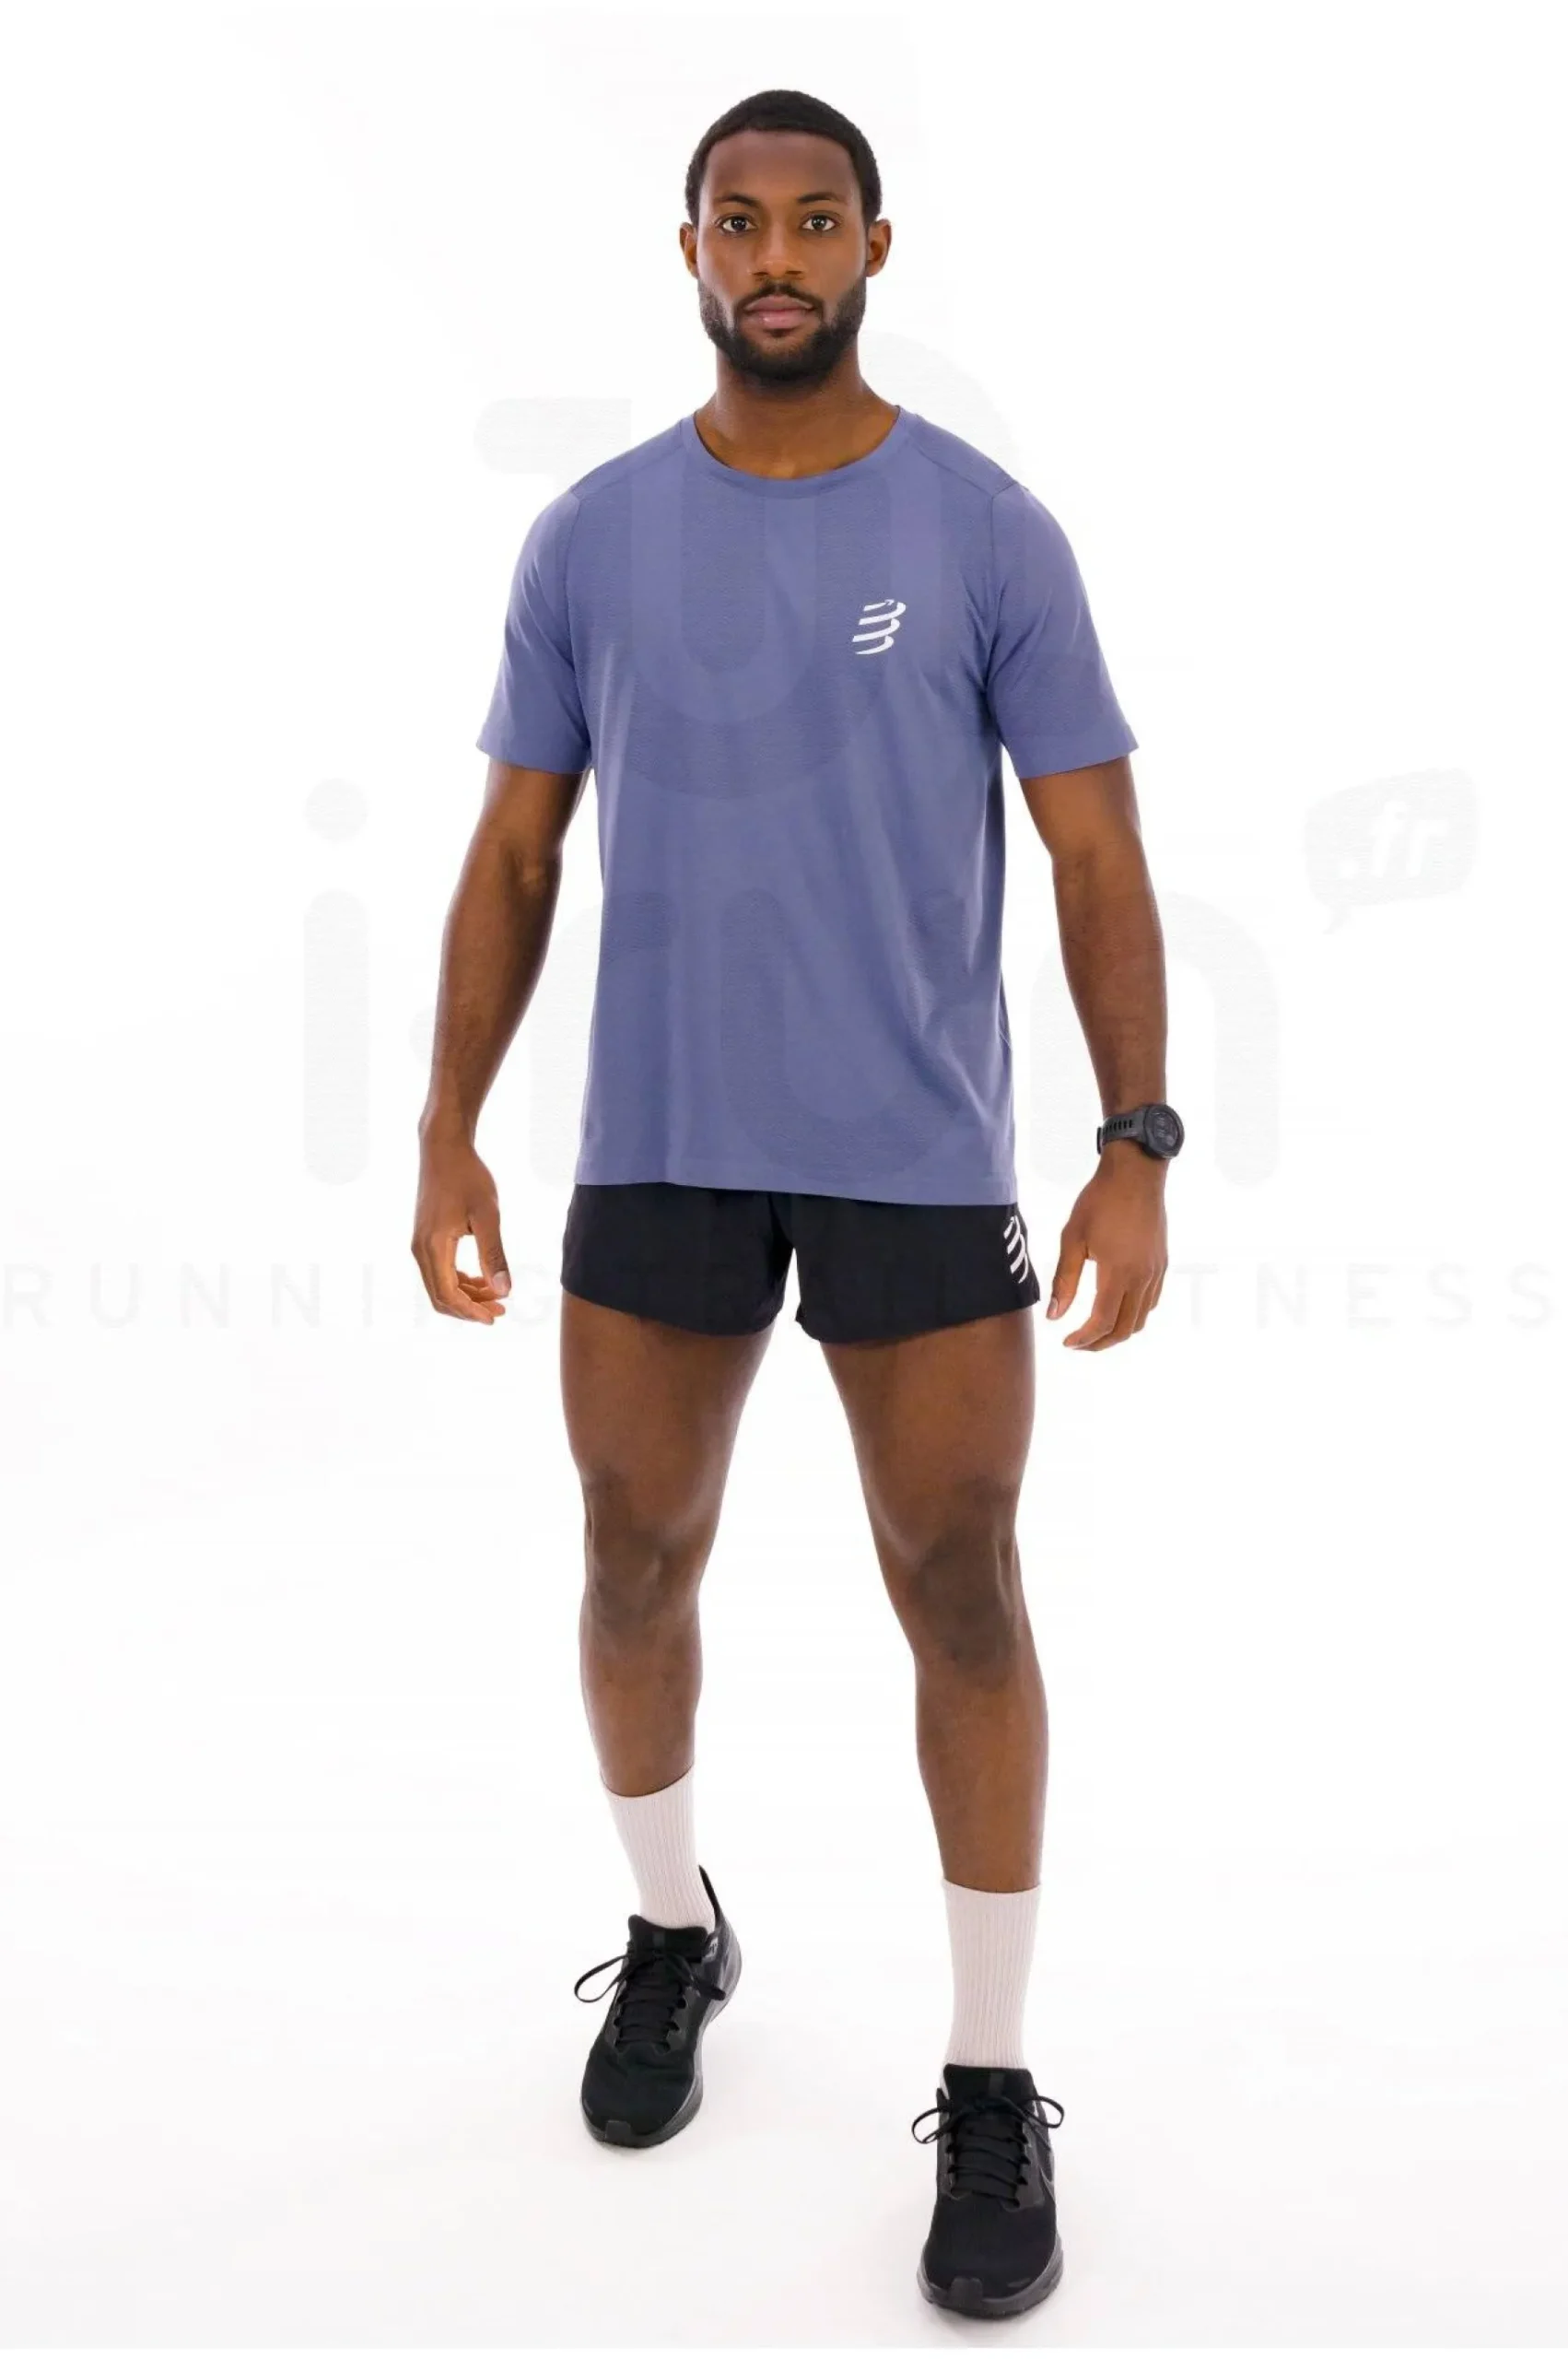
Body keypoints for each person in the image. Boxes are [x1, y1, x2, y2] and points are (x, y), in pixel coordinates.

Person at [411, 86, 1180, 2321]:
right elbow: (515, 850)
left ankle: (990, 2071)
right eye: (737, 220)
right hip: (657, 1138)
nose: (774, 253)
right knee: (627, 1553)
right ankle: (672, 1929)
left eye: (813, 218)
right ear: (688, 251)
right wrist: (447, 1126)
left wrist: (1133, 1139)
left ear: (870, 249)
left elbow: (1094, 851)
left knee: (960, 1585)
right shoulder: (587, 537)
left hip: (915, 1154)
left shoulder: (985, 532)